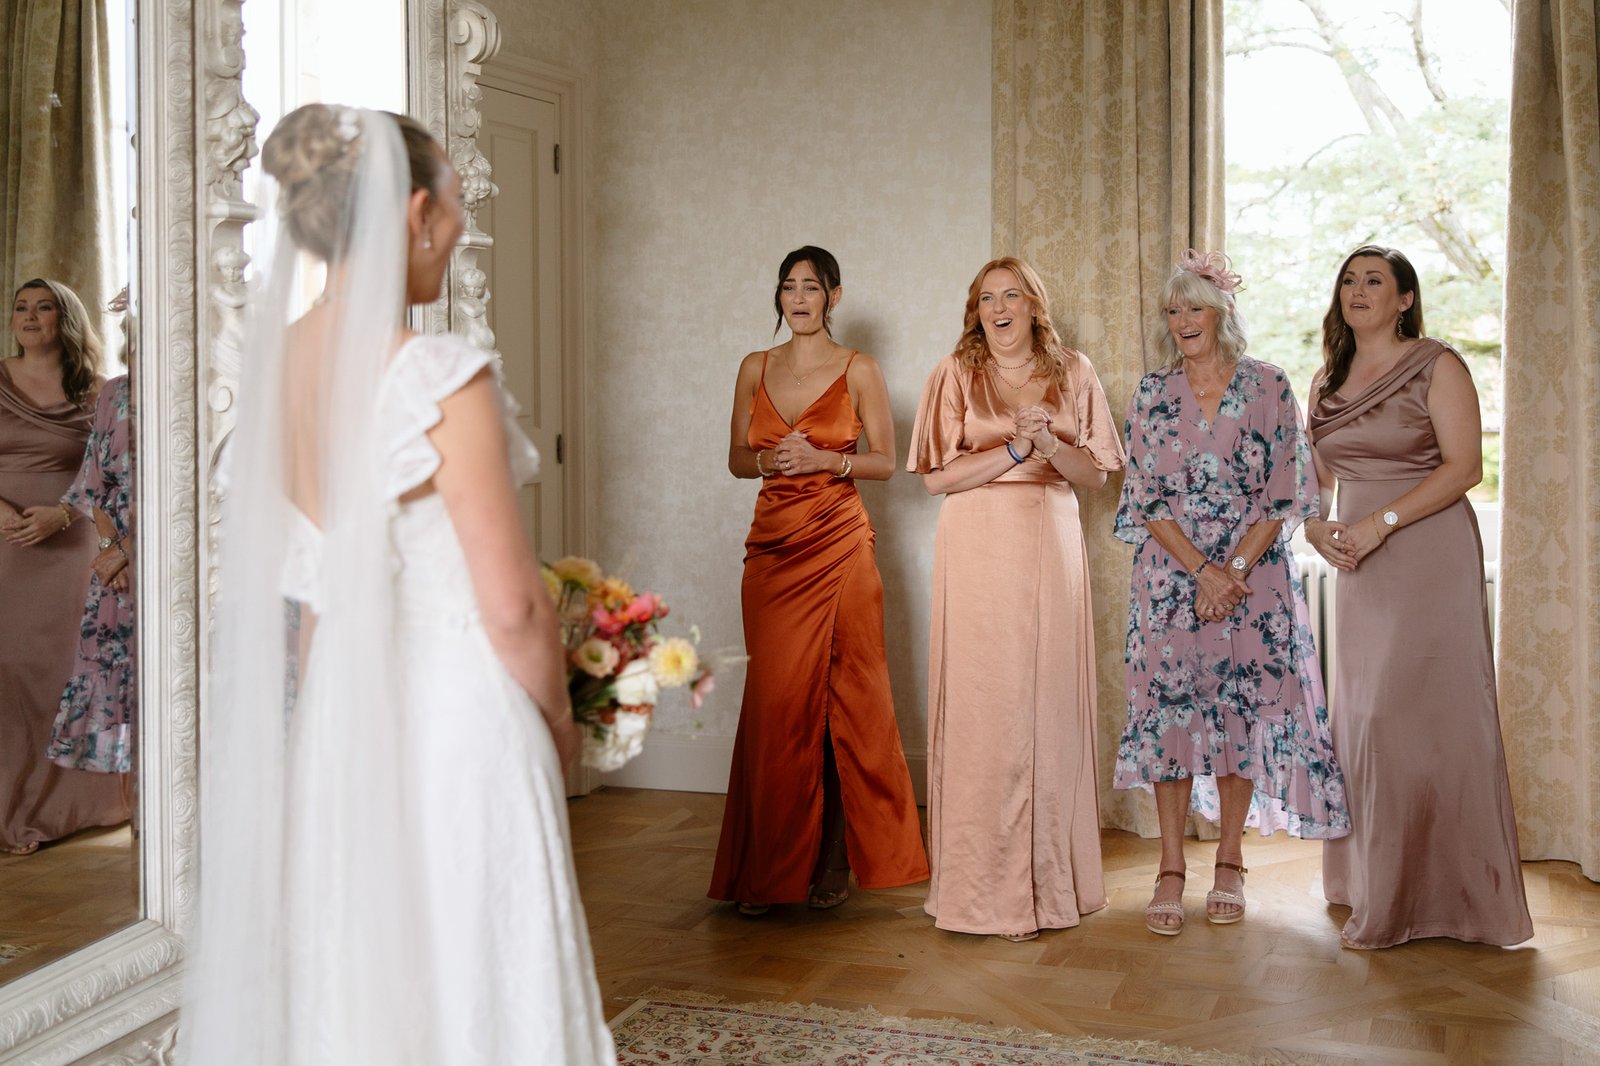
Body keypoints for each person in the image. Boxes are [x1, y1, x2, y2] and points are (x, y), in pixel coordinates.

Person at [178, 105, 615, 1065]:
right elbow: (511, 602)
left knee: (366, 969)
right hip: (459, 718)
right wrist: (558, 727)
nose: (461, 228)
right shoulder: (438, 370)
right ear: (415, 211)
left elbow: (308, 602)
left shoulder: (274, 373)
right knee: (477, 963)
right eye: (458, 204)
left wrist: (309, 742)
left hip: (341, 712)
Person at [1112, 250, 1349, 937]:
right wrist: (1202, 572)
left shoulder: (1270, 384)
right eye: (1173, 310)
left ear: (1223, 314)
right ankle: (1168, 867)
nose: (1183, 320)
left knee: (1242, 712)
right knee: (1169, 717)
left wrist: (1233, 572)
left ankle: (1231, 861)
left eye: (1195, 307)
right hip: (1171, 576)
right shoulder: (1152, 392)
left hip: (1256, 578)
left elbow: (1287, 490)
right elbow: (1145, 498)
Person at [1305, 244, 1532, 950]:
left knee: (1426, 723)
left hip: (1429, 555)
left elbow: (1465, 467)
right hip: (1359, 566)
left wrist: (1381, 523)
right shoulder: (1325, 380)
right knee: (1370, 723)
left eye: (1375, 280)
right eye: (1349, 279)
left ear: (1405, 298)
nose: (1358, 289)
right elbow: (1311, 476)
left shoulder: (1439, 365)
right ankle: (1375, 887)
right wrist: (1316, 525)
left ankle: (1450, 903)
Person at [907, 256, 1124, 942]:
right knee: (984, 708)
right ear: (976, 310)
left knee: (1046, 703)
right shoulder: (953, 373)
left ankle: (1050, 887)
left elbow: (1095, 475)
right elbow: (937, 482)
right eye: (986, 298)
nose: (999, 309)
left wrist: (1047, 444)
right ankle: (979, 891)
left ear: (1035, 305)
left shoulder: (1075, 371)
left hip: (1048, 542)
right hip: (976, 548)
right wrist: (1011, 452)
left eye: (1012, 296)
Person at [710, 245, 928, 916]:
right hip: (772, 553)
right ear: (779, 299)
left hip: (840, 548)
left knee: (844, 698)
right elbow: (736, 460)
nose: (798, 298)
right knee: (778, 705)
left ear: (834, 296)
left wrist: (827, 460)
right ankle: (772, 869)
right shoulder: (755, 366)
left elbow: (888, 462)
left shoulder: (859, 369)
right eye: (787, 288)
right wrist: (773, 459)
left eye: (811, 287)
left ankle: (834, 857)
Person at [2, 278, 131, 856]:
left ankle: (66, 808)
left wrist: (62, 514)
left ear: (66, 318)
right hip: (5, 541)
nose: (29, 317)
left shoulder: (99, 393)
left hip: (72, 542)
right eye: (20, 308)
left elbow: (113, 474)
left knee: (62, 671)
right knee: (8, 670)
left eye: (43, 307)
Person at [50, 289, 137, 774]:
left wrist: (127, 549)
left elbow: (185, 485)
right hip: (114, 568)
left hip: (164, 549)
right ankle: (143, 834)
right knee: (120, 702)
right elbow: (94, 479)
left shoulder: (200, 388)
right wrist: (109, 550)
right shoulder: (114, 392)